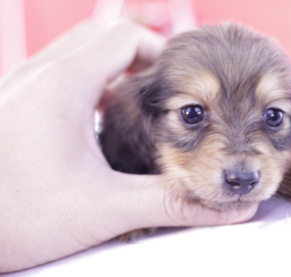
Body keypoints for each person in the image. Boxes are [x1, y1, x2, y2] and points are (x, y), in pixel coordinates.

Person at [0, 20, 258, 273]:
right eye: (192, 113)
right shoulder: (127, 124)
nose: (241, 171)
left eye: (273, 116)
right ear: (140, 118)